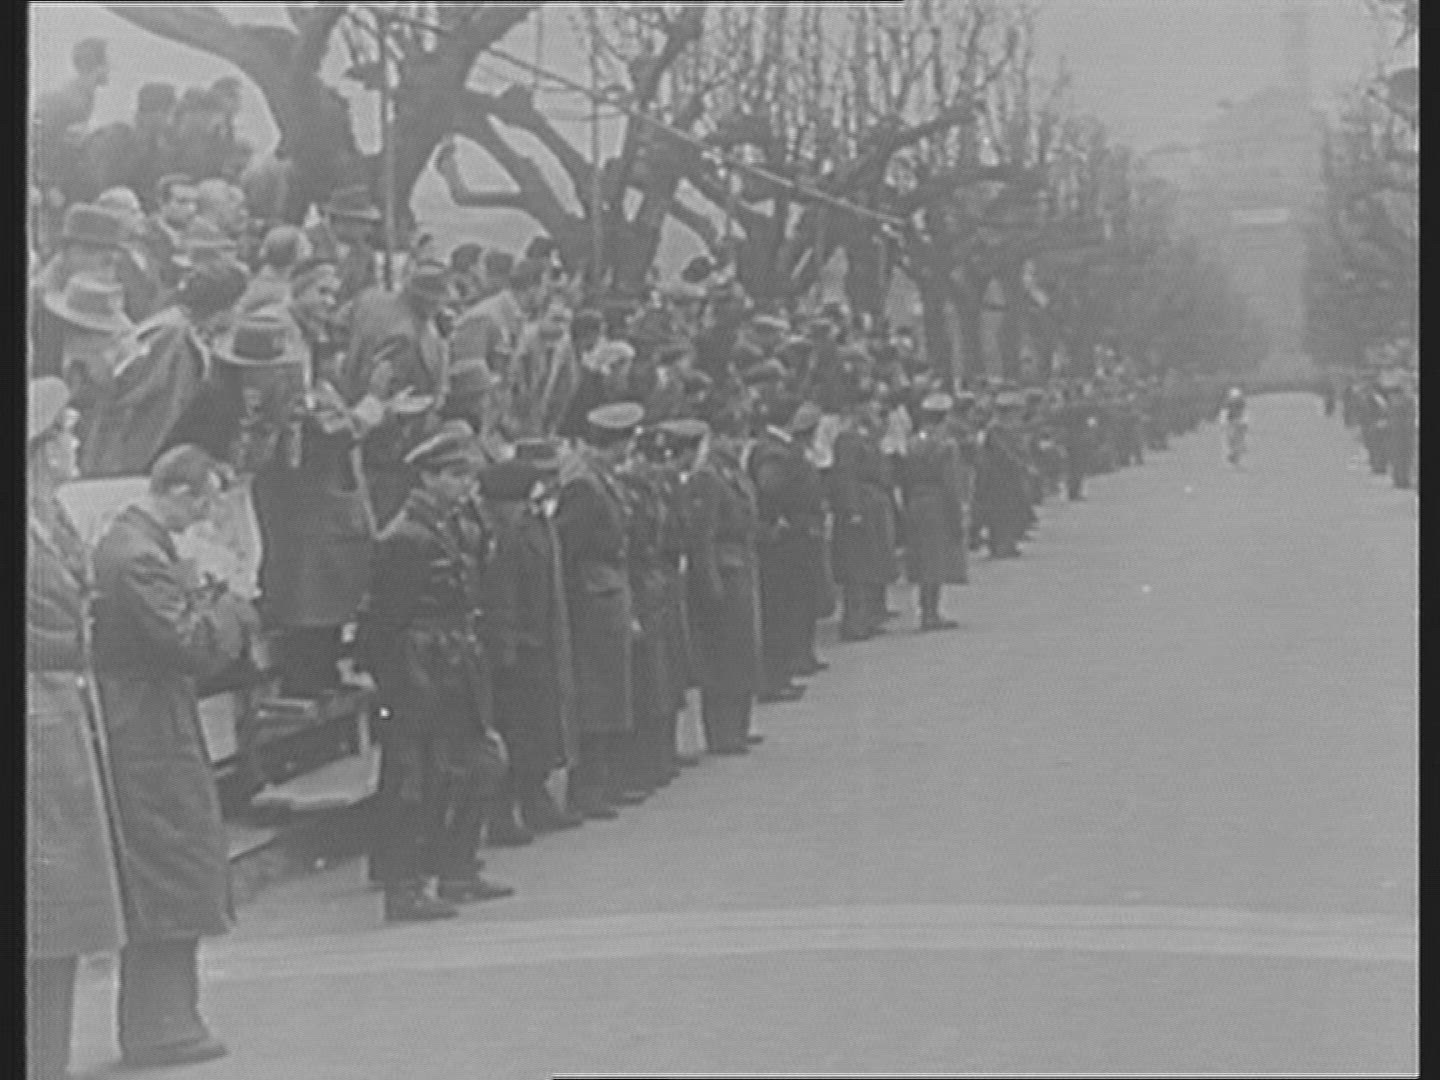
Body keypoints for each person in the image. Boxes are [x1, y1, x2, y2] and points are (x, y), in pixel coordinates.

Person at [90, 445, 258, 1069]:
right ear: (180, 492)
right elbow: (188, 643)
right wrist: (231, 603)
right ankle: (161, 1024)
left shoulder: (136, 546)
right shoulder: (140, 557)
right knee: (169, 861)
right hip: (147, 726)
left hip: (147, 717)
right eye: (206, 501)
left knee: (170, 862)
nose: (207, 516)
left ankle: (165, 1018)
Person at [361, 424, 514, 922]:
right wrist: (400, 685)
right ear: (427, 478)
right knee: (415, 780)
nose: (465, 486)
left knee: (479, 763)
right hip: (421, 666)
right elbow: (386, 621)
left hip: (454, 660)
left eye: (467, 476)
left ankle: (458, 869)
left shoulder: (449, 525)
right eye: (454, 476)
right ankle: (405, 886)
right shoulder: (406, 537)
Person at [27, 378, 128, 1080]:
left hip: (59, 718)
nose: (76, 440)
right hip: (37, 721)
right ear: (39, 450)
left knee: (61, 915)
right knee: (47, 905)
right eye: (65, 430)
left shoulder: (49, 519)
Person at [479, 446, 585, 836]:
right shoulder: (509, 535)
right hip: (520, 647)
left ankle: (535, 797)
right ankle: (503, 811)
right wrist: (505, 650)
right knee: (516, 731)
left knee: (539, 729)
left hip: (541, 642)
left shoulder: (535, 525)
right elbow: (502, 596)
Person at [77, 259, 250, 479]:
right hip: (130, 453)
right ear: (221, 307)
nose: (240, 311)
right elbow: (126, 392)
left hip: (150, 446)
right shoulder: (168, 334)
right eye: (238, 304)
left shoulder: (183, 326)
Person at [553, 403, 641, 817]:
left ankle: (602, 783)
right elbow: (568, 548)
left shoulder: (599, 479)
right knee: (596, 697)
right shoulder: (585, 487)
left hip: (605, 593)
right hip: (591, 599)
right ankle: (587, 789)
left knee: (610, 695)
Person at [336, 259, 452, 529]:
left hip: (352, 405)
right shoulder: (405, 337)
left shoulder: (371, 299)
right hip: (386, 445)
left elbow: (339, 325)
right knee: (379, 518)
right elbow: (386, 394)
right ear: (430, 300)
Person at [683, 415, 764, 755]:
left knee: (743, 652)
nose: (735, 442)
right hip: (723, 569)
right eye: (729, 436)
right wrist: (710, 583)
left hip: (742, 566)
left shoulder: (734, 474)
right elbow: (702, 536)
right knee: (722, 656)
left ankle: (740, 724)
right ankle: (721, 731)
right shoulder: (707, 478)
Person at [749, 396, 828, 699]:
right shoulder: (772, 450)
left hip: (797, 534)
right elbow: (771, 488)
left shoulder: (784, 447)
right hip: (783, 539)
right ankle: (775, 677)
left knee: (796, 601)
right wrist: (781, 520)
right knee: (780, 608)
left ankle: (787, 669)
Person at [29, 202, 131, 380]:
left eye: (110, 258)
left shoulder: (103, 291)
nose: (104, 267)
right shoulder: (37, 302)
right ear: (65, 252)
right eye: (90, 251)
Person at [829, 388, 899, 640]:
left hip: (875, 504)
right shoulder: (847, 439)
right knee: (857, 567)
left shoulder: (868, 435)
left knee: (872, 563)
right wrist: (852, 508)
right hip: (862, 504)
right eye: (868, 405)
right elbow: (845, 475)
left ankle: (869, 616)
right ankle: (855, 622)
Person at [899, 392, 968, 631]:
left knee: (921, 557)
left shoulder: (912, 442)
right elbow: (951, 482)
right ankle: (931, 612)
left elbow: (905, 477)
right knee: (935, 558)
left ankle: (924, 608)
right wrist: (956, 513)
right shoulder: (946, 445)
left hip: (915, 501)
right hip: (937, 502)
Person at [1223, 387, 1248, 467]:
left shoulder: (1240, 405)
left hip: (1236, 423)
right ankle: (1232, 454)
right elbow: (1225, 414)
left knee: (1236, 440)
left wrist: (1244, 422)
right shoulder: (1229, 405)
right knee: (1232, 440)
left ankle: (1234, 455)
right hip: (1232, 423)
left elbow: (1244, 414)